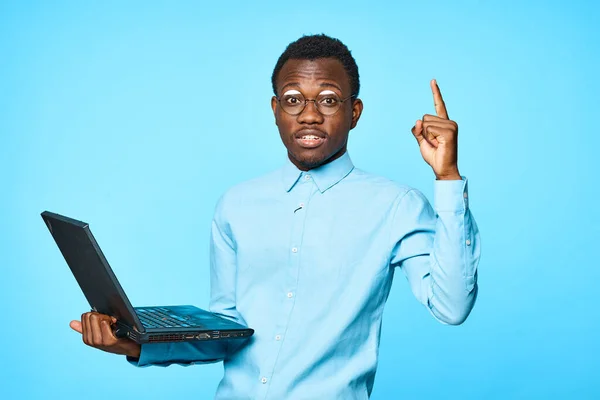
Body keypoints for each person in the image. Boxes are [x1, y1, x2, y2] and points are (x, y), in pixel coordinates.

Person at [70, 34, 480, 399]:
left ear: (354, 112)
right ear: (275, 108)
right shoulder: (236, 204)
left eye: (329, 99)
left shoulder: (397, 205)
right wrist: (139, 344)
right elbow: (227, 332)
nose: (309, 114)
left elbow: (452, 306)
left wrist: (447, 176)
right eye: (293, 99)